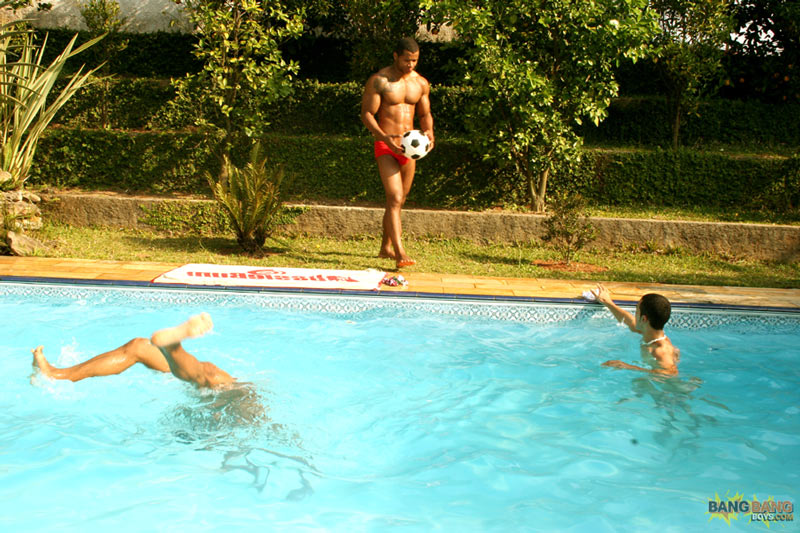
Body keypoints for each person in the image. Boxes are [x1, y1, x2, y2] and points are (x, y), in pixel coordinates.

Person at [360, 37, 434, 269]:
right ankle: (400, 252)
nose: (410, 65)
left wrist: (430, 132)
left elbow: (424, 114)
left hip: (410, 149)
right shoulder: (379, 81)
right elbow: (367, 114)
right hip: (386, 145)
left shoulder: (420, 83)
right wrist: (385, 138)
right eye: (406, 60)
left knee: (399, 200)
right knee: (394, 197)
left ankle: (385, 248)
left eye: (414, 60)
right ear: (395, 56)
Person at [31, 313, 236, 389]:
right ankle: (172, 347)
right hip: (236, 396)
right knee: (211, 377)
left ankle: (57, 374)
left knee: (139, 347)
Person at [594, 285, 680, 376]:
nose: (634, 315)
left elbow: (671, 374)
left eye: (636, 312)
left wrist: (628, 367)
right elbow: (628, 320)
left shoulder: (660, 350)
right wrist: (608, 302)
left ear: (643, 319)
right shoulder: (648, 332)